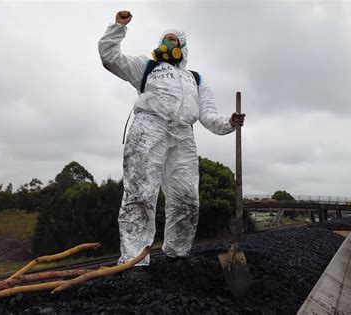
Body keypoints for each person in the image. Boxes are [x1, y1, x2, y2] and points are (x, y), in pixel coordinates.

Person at [98, 10, 245, 266]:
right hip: (149, 128)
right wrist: (118, 27)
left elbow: (208, 116)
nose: (167, 43)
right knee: (140, 193)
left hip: (184, 136)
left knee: (187, 198)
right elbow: (110, 58)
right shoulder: (147, 67)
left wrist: (229, 123)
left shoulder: (195, 79)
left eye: (172, 39)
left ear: (182, 47)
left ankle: (177, 254)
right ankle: (134, 260)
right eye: (164, 39)